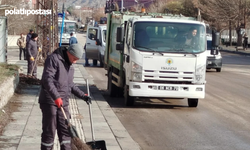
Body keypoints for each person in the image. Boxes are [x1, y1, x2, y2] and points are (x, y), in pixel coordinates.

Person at [38, 43, 91, 150]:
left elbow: (70, 84)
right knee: (50, 131)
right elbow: (47, 79)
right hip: (49, 100)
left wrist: (83, 95)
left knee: (66, 131)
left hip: (63, 102)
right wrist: (56, 97)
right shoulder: (53, 59)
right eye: (74, 58)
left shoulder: (70, 67)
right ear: (69, 53)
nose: (75, 61)